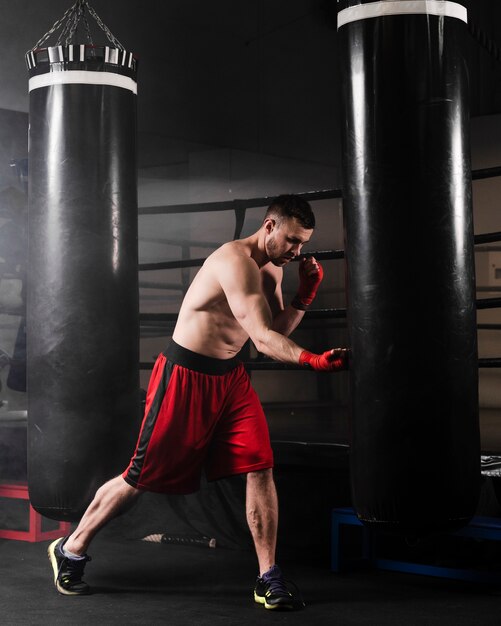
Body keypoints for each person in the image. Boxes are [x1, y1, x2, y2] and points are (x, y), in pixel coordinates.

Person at [47, 193, 349, 610]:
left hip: (230, 380)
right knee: (140, 477)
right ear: (270, 226)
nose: (298, 252)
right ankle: (72, 547)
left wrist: (304, 297)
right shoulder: (233, 261)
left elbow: (272, 331)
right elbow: (264, 338)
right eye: (294, 241)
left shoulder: (273, 269)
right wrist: (312, 360)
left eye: (304, 244)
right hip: (185, 376)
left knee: (259, 466)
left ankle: (268, 577)